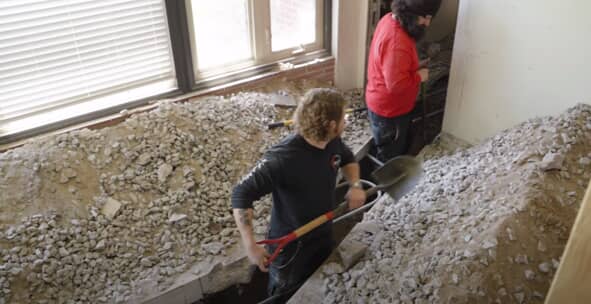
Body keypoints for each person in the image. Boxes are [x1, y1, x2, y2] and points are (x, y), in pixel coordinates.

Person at [231, 88, 366, 302]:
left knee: (319, 282)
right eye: (344, 118)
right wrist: (250, 244)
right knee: (285, 294)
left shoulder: (333, 141)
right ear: (331, 125)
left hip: (322, 233)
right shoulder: (282, 159)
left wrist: (356, 185)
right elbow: (241, 194)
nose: (346, 121)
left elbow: (348, 158)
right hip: (291, 248)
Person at [366, 0, 442, 162]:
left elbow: (392, 65)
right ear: (409, 13)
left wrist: (414, 66)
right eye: (425, 17)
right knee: (388, 158)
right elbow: (396, 85)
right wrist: (419, 76)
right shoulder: (397, 43)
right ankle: (384, 185)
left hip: (384, 105)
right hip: (390, 112)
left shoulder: (389, 19)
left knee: (388, 147)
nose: (427, 23)